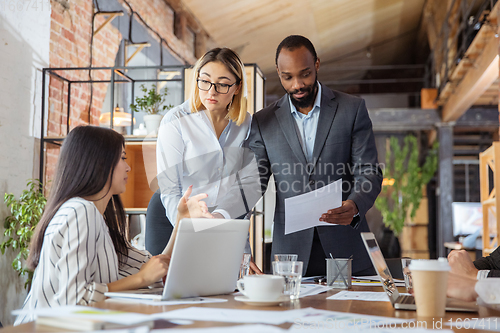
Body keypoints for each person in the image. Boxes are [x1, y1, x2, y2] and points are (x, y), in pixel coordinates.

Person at [15, 126, 211, 325]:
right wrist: (141, 279)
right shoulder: (79, 211)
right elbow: (73, 299)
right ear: (99, 162)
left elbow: (155, 265)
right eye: (122, 158)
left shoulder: (97, 219)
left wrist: (181, 221)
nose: (128, 167)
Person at [247, 35, 383, 276]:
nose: (297, 84)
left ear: (317, 64)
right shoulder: (263, 121)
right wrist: (237, 242)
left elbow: (369, 172)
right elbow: (251, 186)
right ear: (278, 72)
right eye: (287, 77)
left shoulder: (351, 109)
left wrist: (354, 204)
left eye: (305, 74)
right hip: (291, 253)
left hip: (347, 244)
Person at [155, 47, 261, 272]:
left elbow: (249, 184)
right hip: (186, 225)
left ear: (237, 87)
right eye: (204, 81)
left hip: (230, 221)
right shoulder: (175, 121)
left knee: (237, 292)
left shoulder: (246, 124)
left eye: (223, 84)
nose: (211, 91)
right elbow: (170, 191)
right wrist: (200, 230)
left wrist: (220, 219)